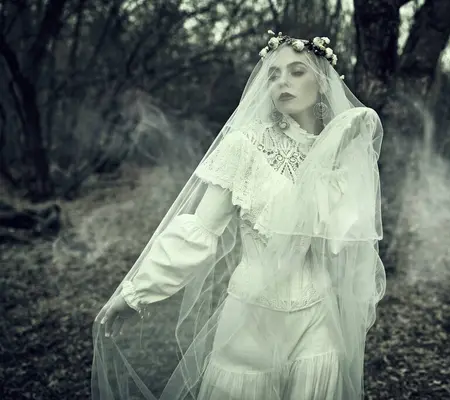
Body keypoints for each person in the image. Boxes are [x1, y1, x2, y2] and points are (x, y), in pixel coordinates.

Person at [92, 30, 386, 400]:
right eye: (274, 73)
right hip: (252, 318)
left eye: (297, 71)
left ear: (323, 82)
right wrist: (136, 293)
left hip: (318, 319)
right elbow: (200, 230)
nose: (282, 81)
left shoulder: (342, 154)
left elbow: (350, 246)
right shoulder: (244, 145)